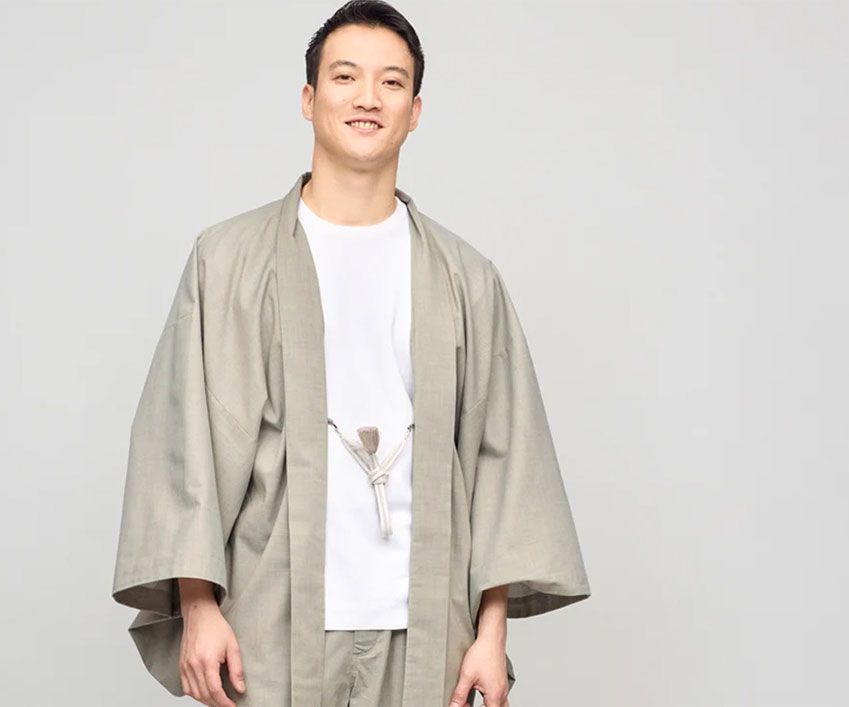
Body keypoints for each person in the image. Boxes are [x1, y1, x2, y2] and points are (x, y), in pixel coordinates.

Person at [111, 2, 591, 705]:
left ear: (415, 111)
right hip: (269, 617)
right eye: (345, 76)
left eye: (392, 82)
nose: (368, 97)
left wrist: (491, 634)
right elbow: (185, 446)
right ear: (309, 99)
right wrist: (199, 606)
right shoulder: (228, 260)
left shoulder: (466, 277)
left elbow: (502, 458)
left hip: (426, 626)